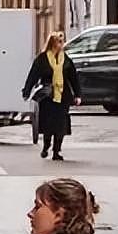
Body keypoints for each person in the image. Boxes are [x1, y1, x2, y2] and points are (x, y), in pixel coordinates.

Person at [22, 31, 81, 161]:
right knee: (48, 124)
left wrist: (78, 95)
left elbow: (73, 78)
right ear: (53, 43)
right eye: (59, 42)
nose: (62, 44)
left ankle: (56, 151)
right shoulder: (42, 59)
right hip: (47, 96)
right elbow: (33, 76)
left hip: (63, 96)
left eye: (62, 41)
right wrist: (26, 91)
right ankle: (46, 146)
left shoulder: (66, 60)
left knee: (61, 125)